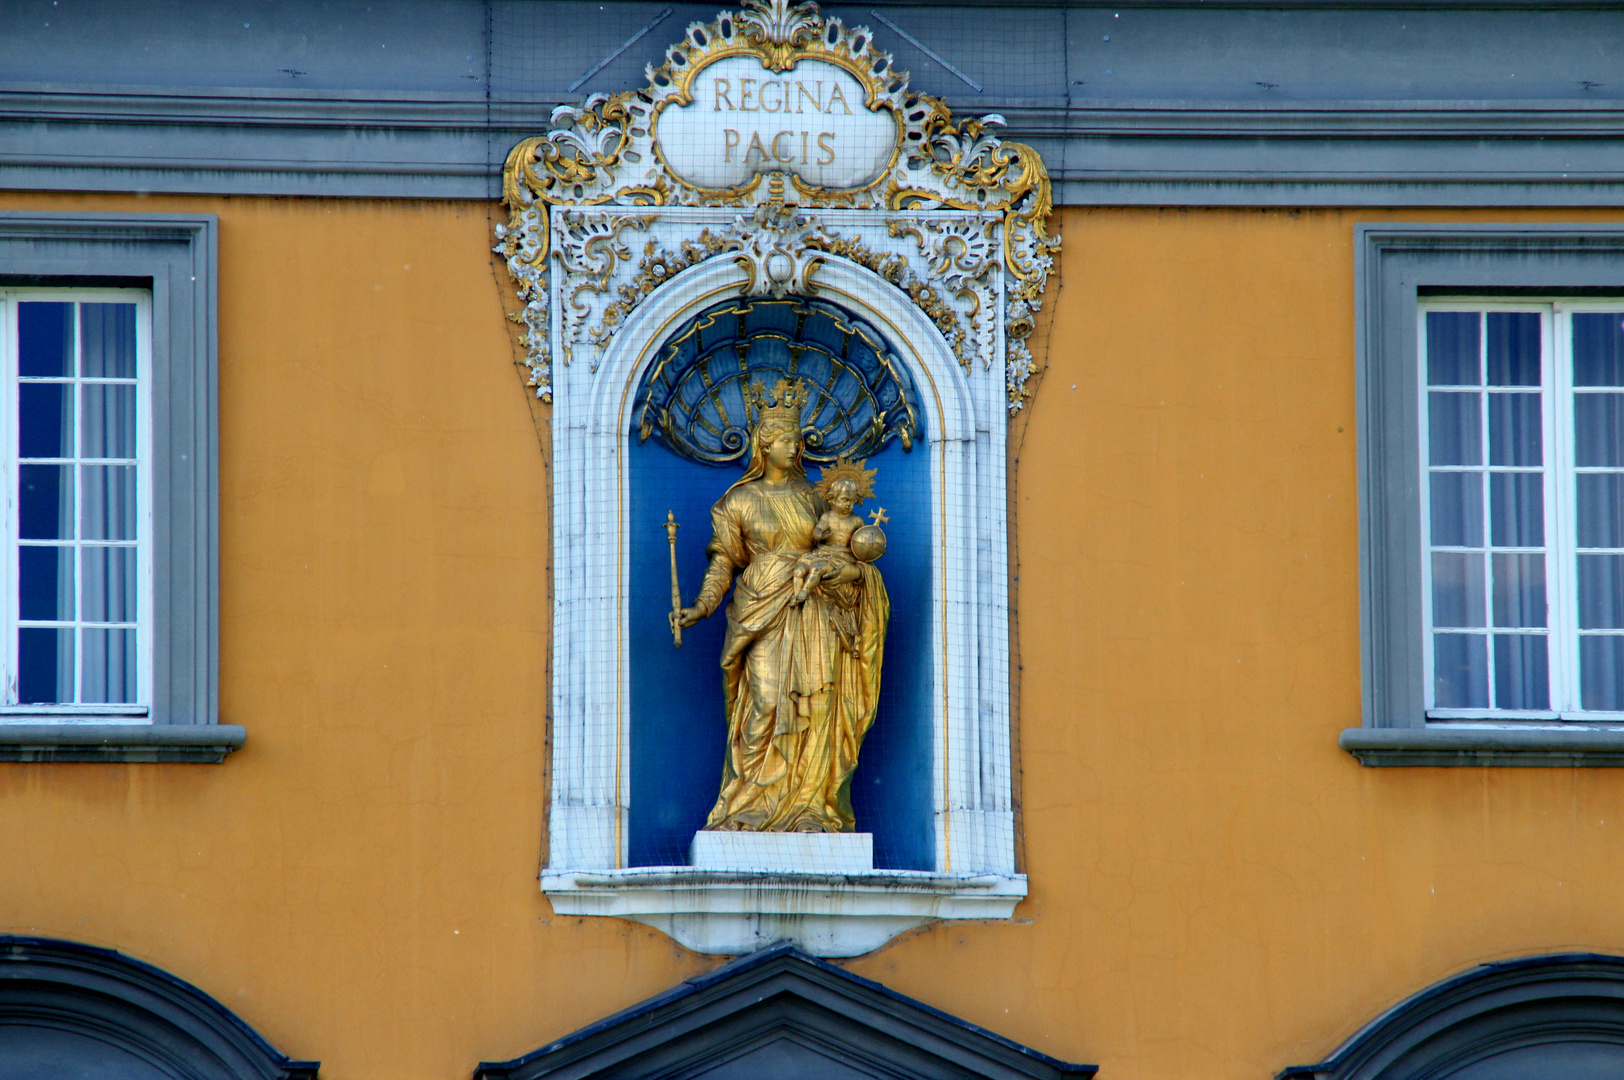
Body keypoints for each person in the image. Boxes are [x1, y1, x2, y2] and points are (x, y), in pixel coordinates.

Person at [672, 379, 890, 833]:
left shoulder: (818, 498)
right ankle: (749, 805)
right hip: (760, 608)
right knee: (766, 703)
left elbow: (851, 556)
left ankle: (811, 806)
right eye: (787, 440)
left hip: (816, 609)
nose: (796, 447)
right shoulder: (738, 501)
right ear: (765, 444)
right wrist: (701, 607)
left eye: (797, 439)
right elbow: (724, 562)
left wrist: (843, 572)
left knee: (817, 706)